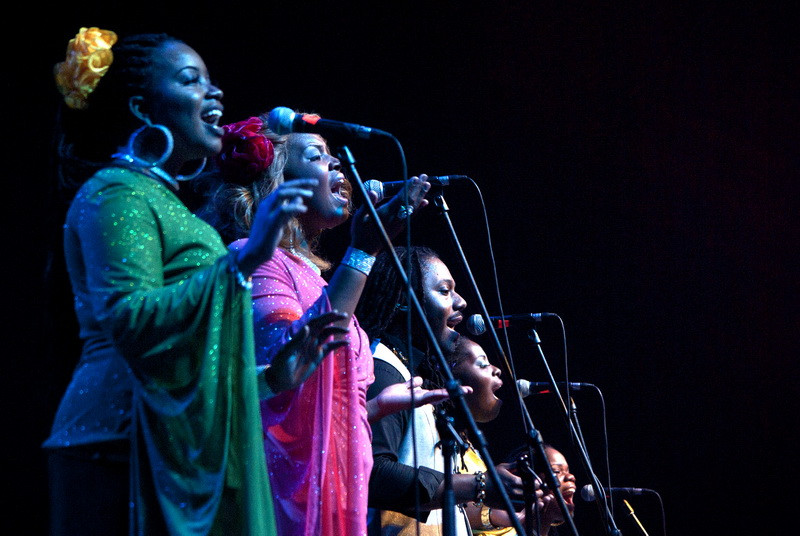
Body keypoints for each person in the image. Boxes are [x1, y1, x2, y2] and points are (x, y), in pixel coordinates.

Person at [43, 28, 345, 536]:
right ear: (142, 109)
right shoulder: (115, 192)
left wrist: (275, 377)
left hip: (173, 440)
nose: (215, 93)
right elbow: (129, 319)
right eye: (191, 81)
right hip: (118, 441)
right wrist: (244, 261)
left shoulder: (170, 206)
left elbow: (196, 364)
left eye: (211, 81)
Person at [199, 114, 432, 536]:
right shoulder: (257, 260)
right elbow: (288, 367)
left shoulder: (321, 279)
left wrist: (377, 406)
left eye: (334, 157)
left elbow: (329, 394)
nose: (338, 165)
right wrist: (363, 252)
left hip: (341, 484)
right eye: (317, 156)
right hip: (288, 490)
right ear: (279, 182)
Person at [354, 246, 528, 536]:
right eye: (445, 291)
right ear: (404, 301)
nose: (461, 302)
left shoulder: (408, 371)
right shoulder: (382, 369)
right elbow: (372, 474)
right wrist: (478, 485)